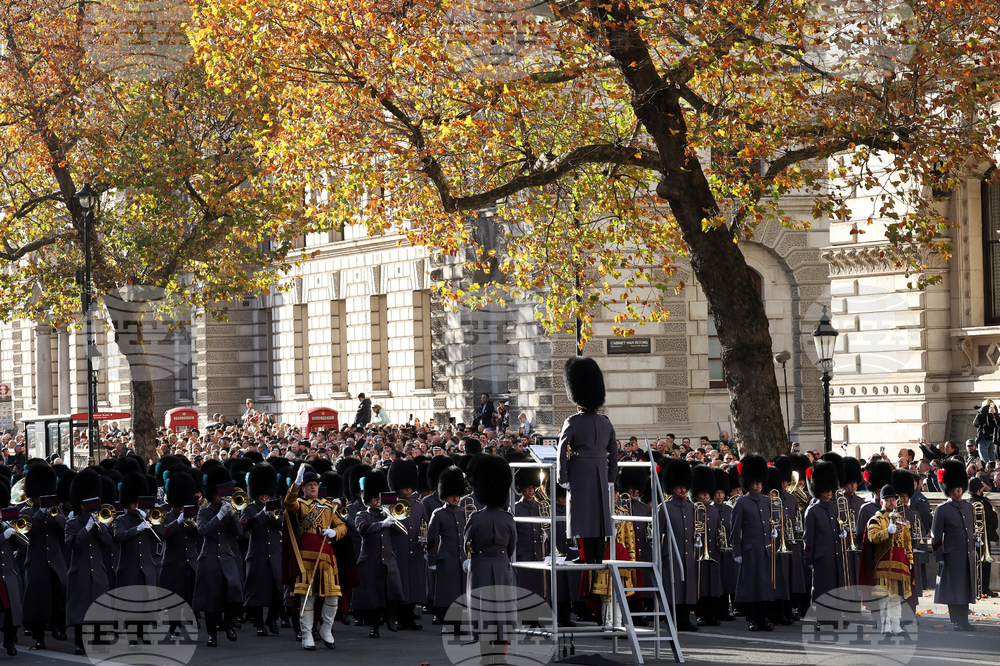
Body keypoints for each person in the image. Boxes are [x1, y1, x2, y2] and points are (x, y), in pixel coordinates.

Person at [556, 357, 618, 564]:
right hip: (600, 470)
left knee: (582, 514)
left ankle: (585, 556)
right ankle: (597, 557)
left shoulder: (572, 422)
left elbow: (561, 449)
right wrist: (611, 477)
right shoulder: (605, 422)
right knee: (600, 516)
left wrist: (562, 476)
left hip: (580, 471)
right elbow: (614, 452)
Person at [284, 463, 347, 649]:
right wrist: (295, 485)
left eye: (315, 484)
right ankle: (307, 634)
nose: (313, 487)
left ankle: (326, 629)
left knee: (333, 596)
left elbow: (342, 526)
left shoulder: (328, 506)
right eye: (309, 484)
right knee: (307, 596)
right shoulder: (300, 504)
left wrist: (335, 532)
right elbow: (289, 503)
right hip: (305, 558)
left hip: (326, 557)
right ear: (303, 488)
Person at [464, 455, 517, 666]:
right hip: (502, 565)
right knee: (502, 612)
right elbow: (512, 546)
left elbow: (467, 545)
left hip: (479, 565)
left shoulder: (475, 518)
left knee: (482, 611)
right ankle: (501, 656)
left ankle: (486, 657)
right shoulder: (508, 518)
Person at [194, 465, 245, 647]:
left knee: (234, 591)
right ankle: (211, 635)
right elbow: (203, 530)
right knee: (211, 598)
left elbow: (239, 532)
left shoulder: (230, 508)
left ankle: (229, 624)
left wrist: (232, 515)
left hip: (227, 555)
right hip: (208, 557)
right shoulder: (204, 511)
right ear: (213, 493)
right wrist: (220, 515)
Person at [20, 463, 67, 651]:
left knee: (61, 592)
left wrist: (55, 516)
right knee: (39, 599)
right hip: (37, 561)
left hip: (55, 560)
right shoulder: (26, 513)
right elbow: (28, 532)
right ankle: (39, 636)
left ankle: (59, 626)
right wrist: (40, 514)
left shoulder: (56, 510)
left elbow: (65, 530)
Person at [352, 470, 404, 638]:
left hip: (388, 560)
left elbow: (400, 532)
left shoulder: (387, 513)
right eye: (374, 498)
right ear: (368, 499)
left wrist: (392, 518)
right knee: (374, 598)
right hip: (371, 561)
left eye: (378, 498)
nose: (377, 501)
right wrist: (382, 523)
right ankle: (375, 626)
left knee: (393, 592)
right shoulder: (363, 515)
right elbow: (362, 529)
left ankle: (389, 618)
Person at [65, 469, 110, 655]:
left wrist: (99, 528)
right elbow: (71, 543)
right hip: (80, 570)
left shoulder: (100, 521)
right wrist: (87, 528)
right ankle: (80, 643)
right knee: (80, 608)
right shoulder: (72, 523)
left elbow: (108, 543)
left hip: (97, 570)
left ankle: (98, 639)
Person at [931, 459, 978, 631]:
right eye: (955, 488)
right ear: (949, 489)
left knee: (965, 589)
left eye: (960, 488)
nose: (958, 491)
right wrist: (940, 557)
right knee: (954, 590)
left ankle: (964, 620)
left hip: (966, 554)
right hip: (951, 556)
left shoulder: (967, 507)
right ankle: (957, 621)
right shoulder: (942, 510)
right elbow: (936, 536)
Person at [729, 455, 774, 632]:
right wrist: (736, 551)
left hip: (764, 549)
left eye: (759, 482)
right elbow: (735, 529)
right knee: (751, 587)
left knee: (763, 586)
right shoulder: (742, 502)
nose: (757, 485)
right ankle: (753, 620)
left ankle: (762, 618)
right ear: (748, 483)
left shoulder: (767, 501)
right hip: (749, 550)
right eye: (754, 482)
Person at [863, 485, 912, 635]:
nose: (891, 503)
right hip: (883, 563)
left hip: (900, 564)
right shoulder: (876, 519)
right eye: (888, 500)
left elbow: (907, 542)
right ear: (882, 501)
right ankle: (885, 626)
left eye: (893, 500)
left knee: (897, 597)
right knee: (885, 597)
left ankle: (896, 624)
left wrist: (910, 560)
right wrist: (887, 532)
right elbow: (872, 537)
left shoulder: (903, 521)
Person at [242, 463, 284, 637]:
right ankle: (259, 623)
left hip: (275, 553)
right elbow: (244, 525)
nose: (265, 497)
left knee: (280, 591)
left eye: (267, 494)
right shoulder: (249, 508)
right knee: (258, 592)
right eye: (261, 494)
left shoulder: (277, 506)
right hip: (257, 554)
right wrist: (261, 514)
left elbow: (283, 524)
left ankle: (272, 619)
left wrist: (274, 516)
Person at [426, 465, 468, 630]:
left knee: (460, 594)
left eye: (457, 495)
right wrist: (432, 560)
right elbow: (432, 539)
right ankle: (449, 624)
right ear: (445, 496)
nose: (455, 499)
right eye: (452, 496)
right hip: (446, 558)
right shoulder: (438, 514)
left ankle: (459, 624)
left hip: (460, 558)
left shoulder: (462, 512)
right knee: (447, 594)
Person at [386, 458, 427, 630]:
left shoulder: (418, 506)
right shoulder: (389, 505)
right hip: (398, 550)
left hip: (414, 550)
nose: (408, 490)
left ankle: (408, 617)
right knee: (399, 585)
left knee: (413, 585)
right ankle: (396, 616)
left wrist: (424, 542)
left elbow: (423, 526)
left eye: (410, 486)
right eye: (404, 487)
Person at [802, 460, 844, 616]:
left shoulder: (835, 506)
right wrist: (808, 558)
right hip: (820, 556)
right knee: (822, 588)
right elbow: (808, 538)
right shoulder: (812, 511)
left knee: (836, 587)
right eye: (825, 490)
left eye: (830, 490)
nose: (828, 493)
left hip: (835, 553)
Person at [691, 464, 722, 627]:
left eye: (707, 491)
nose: (705, 494)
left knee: (713, 586)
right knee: (700, 586)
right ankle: (700, 614)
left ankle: (711, 614)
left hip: (712, 551)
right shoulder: (693, 509)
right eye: (702, 492)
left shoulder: (714, 510)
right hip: (698, 552)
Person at [968, 477, 998, 598]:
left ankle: (975, 588)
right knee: (984, 564)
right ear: (980, 490)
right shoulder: (983, 503)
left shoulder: (967, 504)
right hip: (983, 537)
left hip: (972, 537)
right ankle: (983, 588)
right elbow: (994, 520)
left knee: (974, 563)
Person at [974, 399, 998, 466]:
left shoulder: (982, 413)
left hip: (983, 438)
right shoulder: (994, 412)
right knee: (992, 460)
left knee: (985, 461)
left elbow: (975, 423)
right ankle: (992, 473)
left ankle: (987, 472)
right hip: (992, 438)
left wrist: (980, 411)